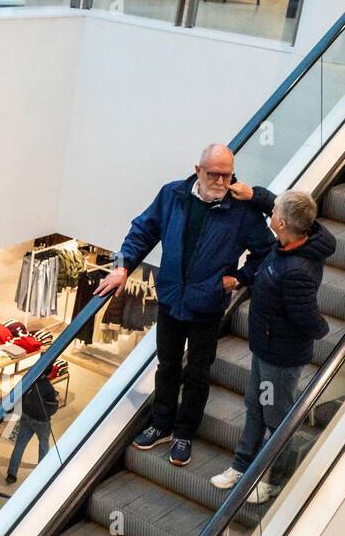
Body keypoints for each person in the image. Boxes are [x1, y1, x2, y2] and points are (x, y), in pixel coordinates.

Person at [96, 143, 276, 469]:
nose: (220, 181)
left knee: (197, 372)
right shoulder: (173, 195)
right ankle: (161, 424)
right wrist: (122, 266)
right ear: (198, 170)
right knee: (167, 366)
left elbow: (267, 250)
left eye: (227, 175)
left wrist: (237, 279)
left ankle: (184, 432)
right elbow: (143, 229)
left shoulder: (242, 211)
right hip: (169, 298)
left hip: (207, 303)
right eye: (213, 174)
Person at [210, 190, 334, 504]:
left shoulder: (296, 270)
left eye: (274, 210)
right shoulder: (292, 239)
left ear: (279, 223)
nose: (271, 211)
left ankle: (276, 481)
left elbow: (307, 318)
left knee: (278, 419)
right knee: (255, 405)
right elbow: (289, 208)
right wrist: (258, 195)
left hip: (282, 356)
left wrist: (322, 329)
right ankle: (242, 465)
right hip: (266, 348)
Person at [6, 376, 60, 484]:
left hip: (26, 416)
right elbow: (53, 407)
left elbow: (21, 396)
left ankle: (12, 474)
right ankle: (41, 474)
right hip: (41, 422)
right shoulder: (47, 386)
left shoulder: (30, 378)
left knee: (20, 445)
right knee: (43, 446)